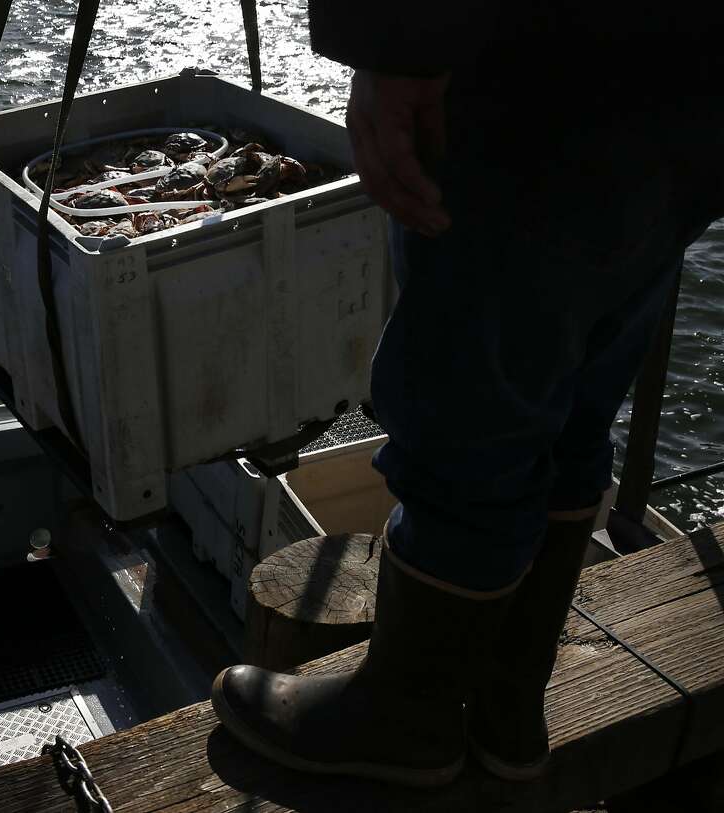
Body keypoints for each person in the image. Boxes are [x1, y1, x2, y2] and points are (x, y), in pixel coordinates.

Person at [211, 9, 724, 787]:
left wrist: (396, 48)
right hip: (694, 87)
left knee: (465, 418)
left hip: (538, 82)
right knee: (574, 407)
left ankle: (403, 720)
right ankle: (509, 710)